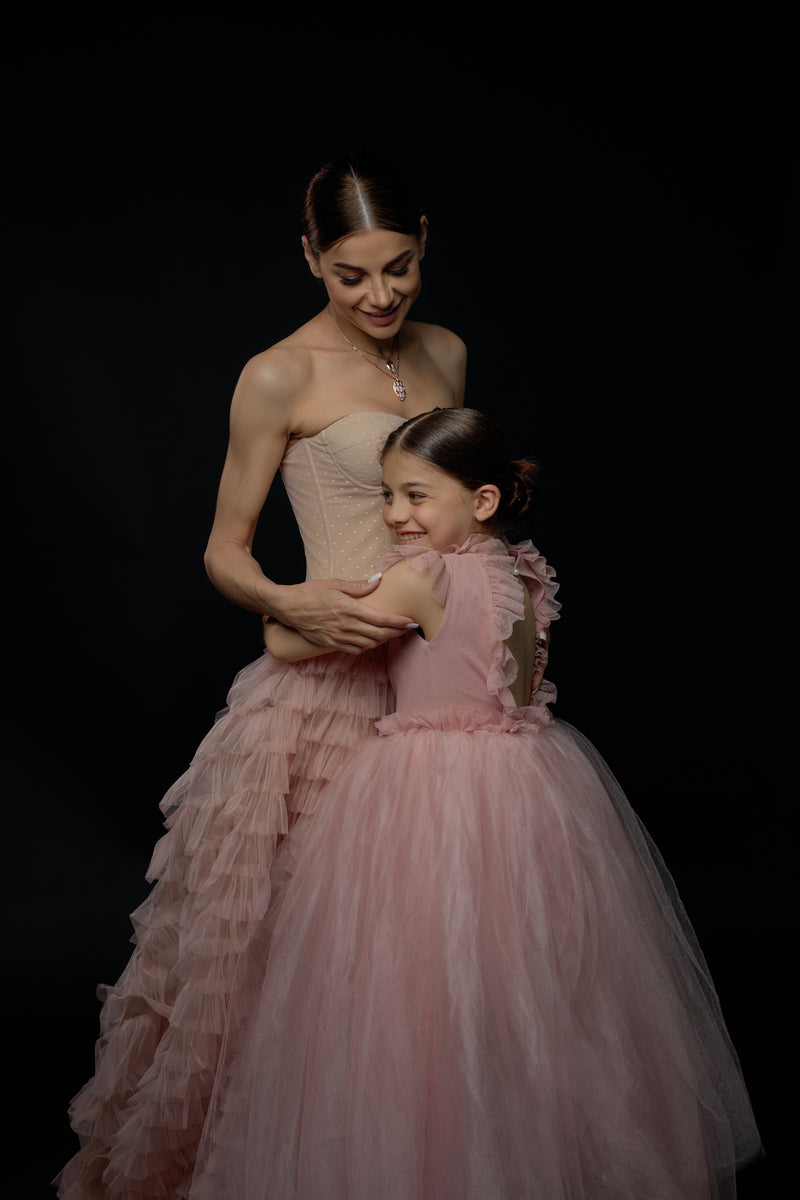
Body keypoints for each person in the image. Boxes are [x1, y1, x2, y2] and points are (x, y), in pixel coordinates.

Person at [188, 408, 761, 1200]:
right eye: (387, 495)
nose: (394, 515)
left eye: (415, 496)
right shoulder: (521, 570)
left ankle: (436, 1150)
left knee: (418, 975)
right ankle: (529, 1149)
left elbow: (290, 642)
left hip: (431, 781)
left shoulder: (423, 574)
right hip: (531, 778)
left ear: (482, 500)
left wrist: (291, 601)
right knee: (526, 977)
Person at [56, 152, 466, 1199]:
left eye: (398, 268)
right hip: (323, 695)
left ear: (422, 240)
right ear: (308, 260)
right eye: (349, 276)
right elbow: (222, 549)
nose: (379, 297)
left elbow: (450, 519)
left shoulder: (445, 355)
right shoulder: (277, 372)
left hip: (431, 690)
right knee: (304, 956)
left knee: (424, 954)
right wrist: (288, 600)